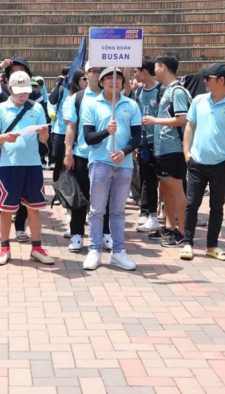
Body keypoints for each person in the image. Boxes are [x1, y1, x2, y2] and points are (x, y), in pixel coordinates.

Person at [180, 63, 225, 262]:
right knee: (192, 204)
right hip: (197, 162)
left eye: (208, 78)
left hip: (222, 165)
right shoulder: (198, 100)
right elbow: (190, 126)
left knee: (217, 206)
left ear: (221, 80)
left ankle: (212, 245)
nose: (205, 82)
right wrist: (187, 152)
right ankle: (187, 242)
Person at [81, 67, 143, 271]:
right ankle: (94, 250)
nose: (113, 82)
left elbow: (136, 137)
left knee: (118, 211)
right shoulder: (91, 104)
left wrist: (124, 152)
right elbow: (89, 138)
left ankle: (118, 251)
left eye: (118, 78)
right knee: (97, 210)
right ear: (101, 82)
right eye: (108, 78)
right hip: (100, 162)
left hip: (123, 164)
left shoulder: (131, 105)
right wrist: (107, 132)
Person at [0, 71, 52, 266]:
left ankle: (37, 247)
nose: (22, 95)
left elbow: (44, 140)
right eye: (18, 91)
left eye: (25, 91)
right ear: (10, 89)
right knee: (6, 209)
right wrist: (4, 138)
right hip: (9, 165)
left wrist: (44, 133)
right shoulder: (0, 109)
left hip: (32, 164)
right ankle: (5, 247)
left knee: (34, 209)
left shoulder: (36, 108)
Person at [141, 53, 191, 247]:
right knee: (167, 189)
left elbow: (182, 119)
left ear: (162, 67)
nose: (154, 70)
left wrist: (155, 121)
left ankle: (183, 231)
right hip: (163, 149)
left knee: (176, 189)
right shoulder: (167, 90)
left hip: (174, 149)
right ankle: (170, 226)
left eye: (156, 66)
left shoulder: (177, 91)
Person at [62, 64, 110, 253]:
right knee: (79, 198)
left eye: (100, 71)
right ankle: (76, 235)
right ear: (87, 74)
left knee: (104, 199)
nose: (96, 74)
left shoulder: (111, 96)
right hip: (82, 154)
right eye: (93, 71)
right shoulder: (78, 98)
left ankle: (106, 234)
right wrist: (68, 152)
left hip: (105, 155)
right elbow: (71, 127)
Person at [132, 59, 162, 232]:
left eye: (136, 71)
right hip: (144, 143)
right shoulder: (140, 92)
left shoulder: (161, 90)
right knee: (147, 180)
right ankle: (149, 213)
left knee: (162, 181)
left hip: (159, 143)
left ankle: (160, 213)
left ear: (145, 72)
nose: (135, 75)